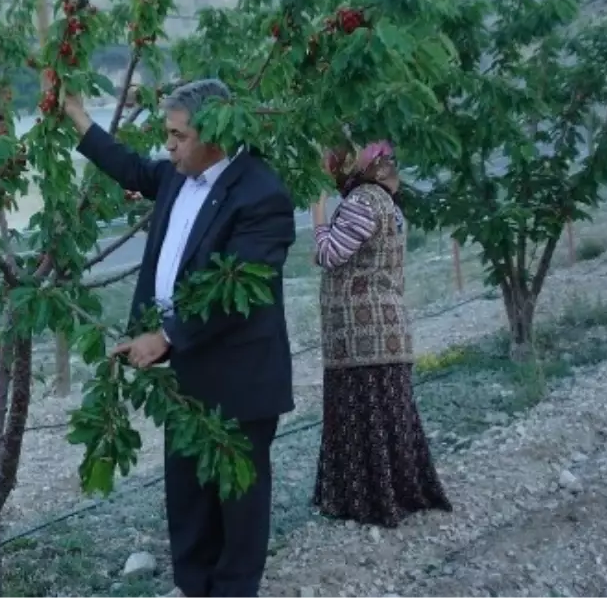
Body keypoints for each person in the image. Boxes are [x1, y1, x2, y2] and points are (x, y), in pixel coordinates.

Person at [62, 79, 297, 598]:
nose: (167, 145)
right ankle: (194, 587)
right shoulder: (174, 175)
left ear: (214, 132)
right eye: (167, 135)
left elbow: (241, 290)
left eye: (177, 135)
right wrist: (79, 118)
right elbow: (129, 166)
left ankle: (234, 591)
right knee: (187, 494)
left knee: (238, 500)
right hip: (187, 375)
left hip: (239, 376)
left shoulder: (263, 194)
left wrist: (166, 336)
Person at [310, 141, 452, 528]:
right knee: (388, 416)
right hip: (385, 331)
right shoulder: (386, 203)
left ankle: (367, 503)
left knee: (364, 415)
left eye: (333, 162)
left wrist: (317, 212)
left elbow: (329, 254)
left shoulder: (361, 202)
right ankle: (396, 496)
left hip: (362, 333)